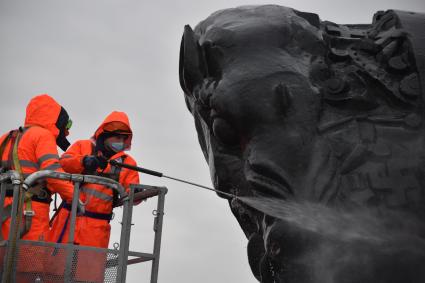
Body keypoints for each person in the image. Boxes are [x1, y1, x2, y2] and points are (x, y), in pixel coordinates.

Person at [47, 111, 139, 282]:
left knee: (88, 277)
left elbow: (132, 194)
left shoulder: (128, 163)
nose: (120, 142)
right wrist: (84, 162)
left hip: (96, 230)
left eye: (123, 138)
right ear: (104, 136)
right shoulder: (82, 147)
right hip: (68, 221)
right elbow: (62, 164)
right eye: (116, 137)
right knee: (54, 274)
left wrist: (138, 193)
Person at [0, 94, 75, 282]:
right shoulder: (43, 135)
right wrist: (76, 197)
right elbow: (52, 173)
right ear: (56, 120)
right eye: (66, 125)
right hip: (29, 213)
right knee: (27, 269)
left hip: (3, 211)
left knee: (4, 267)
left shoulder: (6, 137)